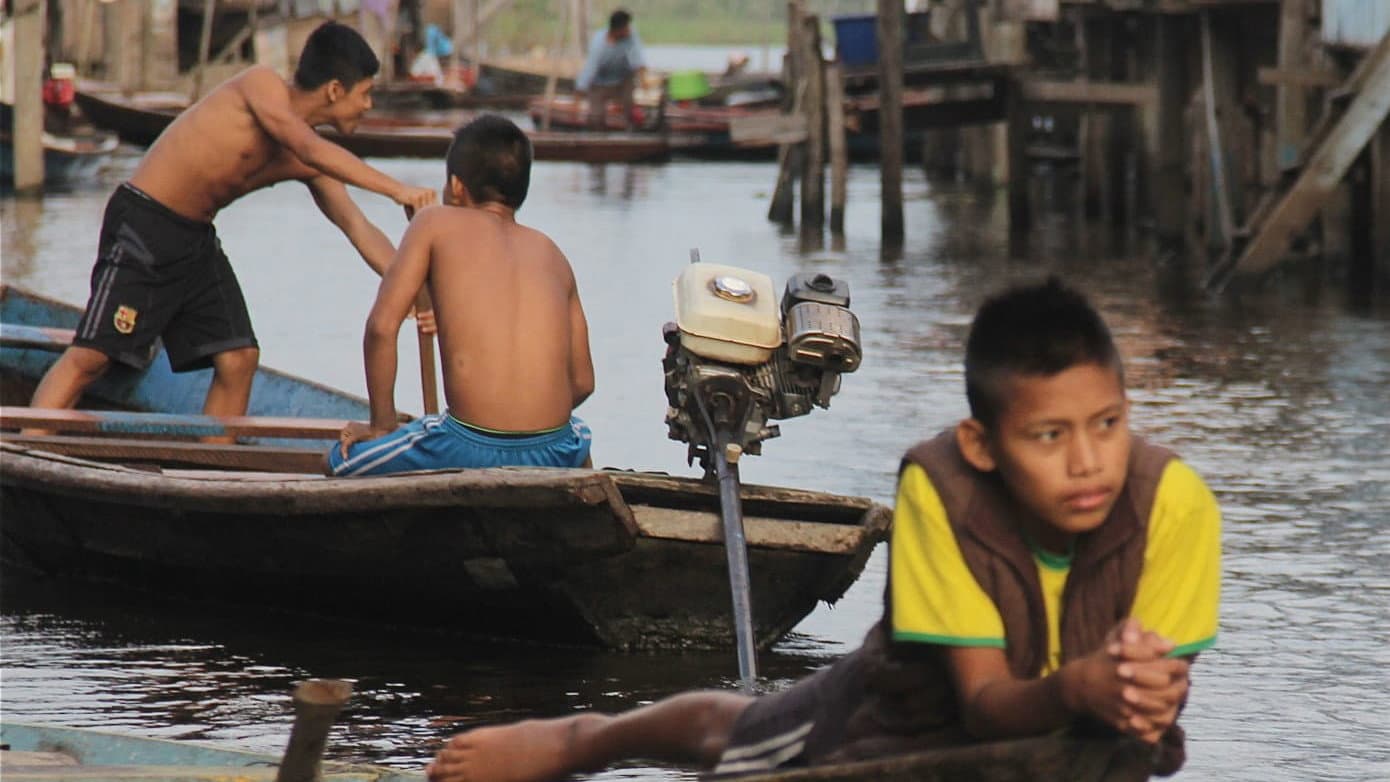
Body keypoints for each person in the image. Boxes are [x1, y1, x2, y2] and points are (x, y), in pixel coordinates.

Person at [423, 277, 1221, 782]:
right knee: (736, 738)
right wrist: (1083, 686)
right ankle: (581, 739)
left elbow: (1154, 701)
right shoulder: (946, 489)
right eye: (1050, 437)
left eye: (1108, 424)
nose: (1089, 462)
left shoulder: (1172, 504)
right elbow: (982, 709)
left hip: (1061, 757)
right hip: (908, 721)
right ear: (984, 447)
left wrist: (1142, 693)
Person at [27, 22, 437, 429]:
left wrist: (420, 296)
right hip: (145, 222)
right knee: (92, 357)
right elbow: (306, 144)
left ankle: (208, 475)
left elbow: (358, 227)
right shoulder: (261, 88)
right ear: (334, 90)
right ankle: (28, 444)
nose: (368, 106)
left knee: (238, 359)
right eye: (365, 94)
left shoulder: (313, 160)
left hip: (194, 239)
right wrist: (397, 190)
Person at [329, 115, 594, 476]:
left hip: (467, 445)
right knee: (578, 432)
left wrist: (380, 426)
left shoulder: (433, 222)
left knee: (337, 461)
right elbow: (582, 382)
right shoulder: (553, 253)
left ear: (456, 186)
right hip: (554, 448)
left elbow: (381, 327)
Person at [575, 9, 648, 130]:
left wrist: (644, 81)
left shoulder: (631, 35)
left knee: (629, 107)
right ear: (617, 30)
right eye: (626, 28)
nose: (629, 30)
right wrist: (580, 91)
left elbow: (638, 60)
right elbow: (590, 69)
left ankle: (630, 129)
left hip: (622, 79)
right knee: (596, 118)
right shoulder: (599, 44)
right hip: (600, 82)